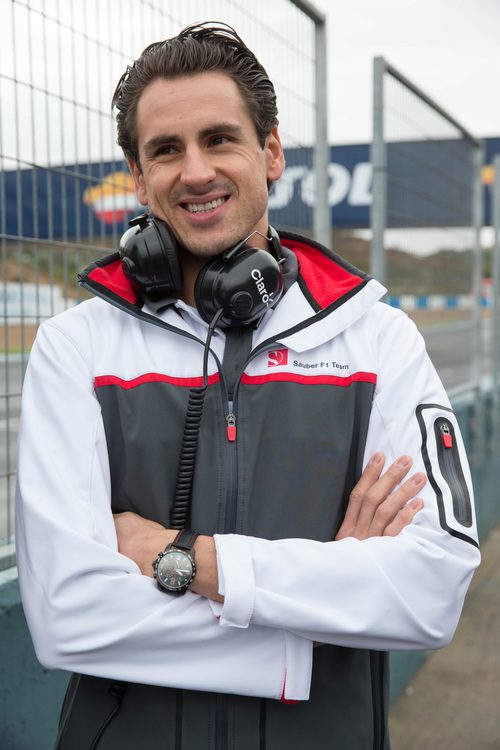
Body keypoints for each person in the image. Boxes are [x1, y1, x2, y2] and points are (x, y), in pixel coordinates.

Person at [15, 22, 480, 750]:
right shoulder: (77, 348)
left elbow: (429, 593)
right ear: (138, 177)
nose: (195, 171)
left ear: (270, 153)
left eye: (220, 139)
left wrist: (181, 558)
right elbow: (66, 612)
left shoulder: (378, 341)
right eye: (166, 150)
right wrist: (315, 623)